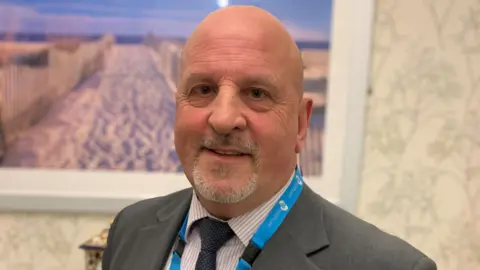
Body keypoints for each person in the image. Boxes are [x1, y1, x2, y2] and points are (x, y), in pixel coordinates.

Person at [102, 5, 437, 270]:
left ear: (300, 124)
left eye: (257, 93)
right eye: (203, 89)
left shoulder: (386, 266)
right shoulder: (130, 230)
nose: (223, 119)